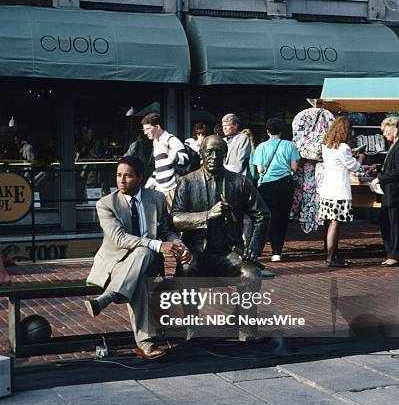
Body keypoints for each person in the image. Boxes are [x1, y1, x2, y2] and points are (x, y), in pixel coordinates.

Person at [85, 156, 192, 359]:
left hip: (149, 260)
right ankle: (145, 344)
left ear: (140, 178)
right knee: (140, 279)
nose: (121, 180)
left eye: (128, 175)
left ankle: (106, 298)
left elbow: (166, 230)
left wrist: (180, 246)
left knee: (144, 254)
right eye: (118, 175)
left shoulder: (157, 199)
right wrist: (158, 245)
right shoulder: (106, 204)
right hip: (116, 265)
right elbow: (120, 238)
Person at [171, 135, 269, 340]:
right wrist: (208, 215)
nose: (214, 156)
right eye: (210, 151)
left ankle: (245, 328)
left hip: (229, 253)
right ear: (201, 154)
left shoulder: (239, 182)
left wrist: (254, 246)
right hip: (196, 253)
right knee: (187, 273)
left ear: (225, 155)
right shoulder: (187, 182)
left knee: (251, 275)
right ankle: (193, 329)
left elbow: (262, 214)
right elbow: (176, 218)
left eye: (219, 152)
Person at [254, 118, 300, 263]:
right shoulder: (290, 146)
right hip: (285, 184)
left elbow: (259, 169)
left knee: (265, 218)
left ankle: (257, 249)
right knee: (281, 218)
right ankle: (276, 252)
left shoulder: (261, 147)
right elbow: (294, 168)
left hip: (266, 185)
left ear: (267, 131)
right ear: (281, 131)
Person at [319, 116, 363, 268]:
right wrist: (361, 158)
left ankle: (333, 255)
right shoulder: (343, 147)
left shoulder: (326, 145)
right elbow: (354, 166)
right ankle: (331, 258)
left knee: (332, 223)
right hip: (339, 190)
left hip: (327, 189)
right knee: (336, 224)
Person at [291, 106, 335, 234]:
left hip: (314, 173)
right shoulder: (304, 141)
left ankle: (311, 218)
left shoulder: (299, 142)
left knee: (312, 195)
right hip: (311, 172)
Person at [141, 112, 188, 212]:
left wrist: (169, 153)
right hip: (161, 189)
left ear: (157, 127)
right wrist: (151, 182)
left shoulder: (171, 139)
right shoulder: (156, 142)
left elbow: (185, 159)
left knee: (173, 217)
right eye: (144, 129)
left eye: (148, 129)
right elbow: (159, 167)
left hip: (172, 188)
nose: (145, 132)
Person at [371, 116, 399, 267]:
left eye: (387, 131)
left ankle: (394, 254)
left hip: (395, 193)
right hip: (389, 193)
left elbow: (397, 171)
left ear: (395, 131)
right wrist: (377, 168)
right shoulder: (393, 146)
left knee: (394, 224)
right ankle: (391, 252)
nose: (384, 134)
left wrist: (380, 179)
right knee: (386, 222)